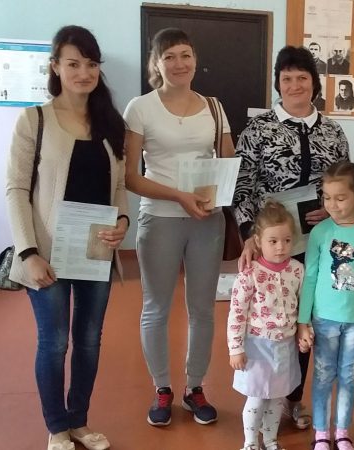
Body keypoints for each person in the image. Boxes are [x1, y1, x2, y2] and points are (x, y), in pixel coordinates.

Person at [6, 25, 128, 450]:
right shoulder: (34, 120)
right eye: (73, 63)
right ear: (55, 66)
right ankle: (56, 427)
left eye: (91, 64)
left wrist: (123, 221)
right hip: (47, 252)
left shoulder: (111, 123)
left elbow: (119, 186)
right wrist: (29, 252)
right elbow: (16, 189)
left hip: (96, 250)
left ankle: (79, 421)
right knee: (54, 342)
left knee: (89, 342)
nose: (83, 73)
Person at [234, 45, 350, 430]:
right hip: (272, 245)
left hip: (320, 241)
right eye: (287, 78)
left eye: (303, 77)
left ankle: (293, 398)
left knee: (306, 320)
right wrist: (248, 235)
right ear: (278, 84)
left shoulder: (333, 131)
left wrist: (332, 209)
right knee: (272, 317)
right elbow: (242, 186)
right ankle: (263, 392)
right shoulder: (259, 129)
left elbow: (344, 183)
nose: (295, 85)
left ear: (314, 83)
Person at [123, 27, 235, 428]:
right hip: (160, 218)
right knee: (156, 307)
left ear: (195, 59)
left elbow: (228, 162)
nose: (179, 63)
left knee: (202, 308)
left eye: (185, 54)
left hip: (206, 219)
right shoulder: (140, 108)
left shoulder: (215, 107)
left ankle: (194, 387)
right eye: (169, 56)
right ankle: (162, 388)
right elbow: (130, 177)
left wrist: (214, 193)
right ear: (157, 64)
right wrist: (178, 196)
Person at [298, 161, 354, 450]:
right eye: (326, 197)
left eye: (340, 198)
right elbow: (310, 277)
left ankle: (342, 431)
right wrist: (303, 321)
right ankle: (322, 433)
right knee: (323, 375)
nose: (332, 205)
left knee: (349, 375)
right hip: (324, 319)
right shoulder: (320, 233)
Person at [228, 201, 305, 450]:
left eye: (286, 240)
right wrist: (236, 348)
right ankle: (250, 443)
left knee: (277, 398)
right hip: (257, 347)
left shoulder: (297, 270)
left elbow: (304, 306)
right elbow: (237, 313)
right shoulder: (249, 273)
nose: (281, 247)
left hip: (284, 347)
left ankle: (271, 440)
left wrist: (305, 331)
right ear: (258, 241)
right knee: (257, 398)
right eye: (273, 241)